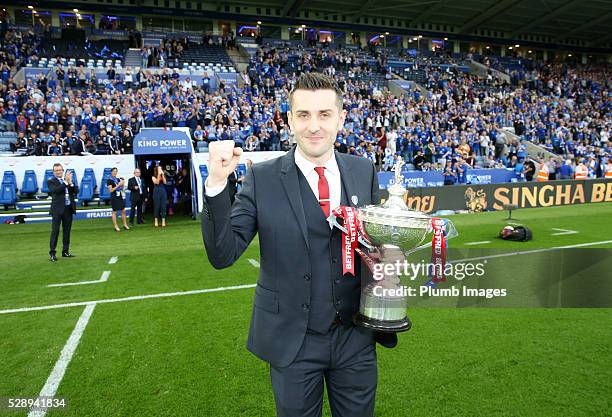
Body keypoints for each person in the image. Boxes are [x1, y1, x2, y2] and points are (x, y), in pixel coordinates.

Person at [201, 73, 396, 417]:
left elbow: (373, 245)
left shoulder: (363, 170)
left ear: (341, 118)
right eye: (303, 115)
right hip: (294, 340)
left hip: (355, 338)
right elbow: (223, 254)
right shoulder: (261, 178)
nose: (314, 126)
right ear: (290, 121)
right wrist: (217, 184)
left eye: (324, 114)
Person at [48, 163, 78, 262]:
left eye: (60, 170)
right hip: (57, 210)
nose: (58, 172)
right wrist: (65, 182)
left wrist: (71, 183)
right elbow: (56, 191)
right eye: (56, 170)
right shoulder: (51, 181)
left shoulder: (67, 181)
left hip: (68, 209)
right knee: (55, 231)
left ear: (62, 170)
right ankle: (52, 253)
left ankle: (65, 251)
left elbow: (76, 191)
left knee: (67, 231)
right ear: (54, 172)